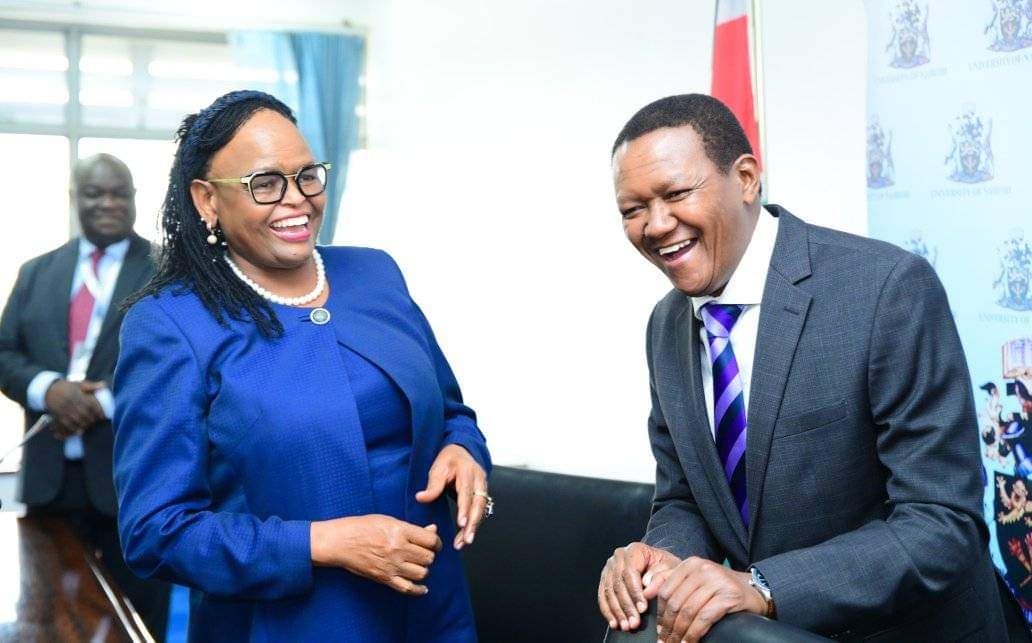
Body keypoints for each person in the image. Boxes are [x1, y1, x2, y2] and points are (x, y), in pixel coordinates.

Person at [597, 94, 1015, 642]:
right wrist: (660, 561)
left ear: (746, 178)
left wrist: (767, 587)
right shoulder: (665, 324)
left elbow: (941, 523)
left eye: (676, 193)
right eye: (632, 209)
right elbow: (684, 498)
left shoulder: (886, 290)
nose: (655, 224)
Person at [112, 90, 492, 642]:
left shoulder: (375, 273)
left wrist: (464, 450)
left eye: (308, 175)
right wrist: (322, 544)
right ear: (206, 200)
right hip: (285, 626)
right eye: (264, 183)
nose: (297, 200)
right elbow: (155, 531)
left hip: (432, 615)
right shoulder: (171, 323)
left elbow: (452, 412)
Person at [0, 153, 170, 637]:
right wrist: (48, 389)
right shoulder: (37, 271)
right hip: (49, 482)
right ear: (75, 198)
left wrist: (105, 401)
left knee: (137, 623)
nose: (108, 203)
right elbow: (4, 352)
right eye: (94, 193)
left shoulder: (168, 272)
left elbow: (178, 367)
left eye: (120, 193)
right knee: (47, 617)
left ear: (136, 200)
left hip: (133, 482)